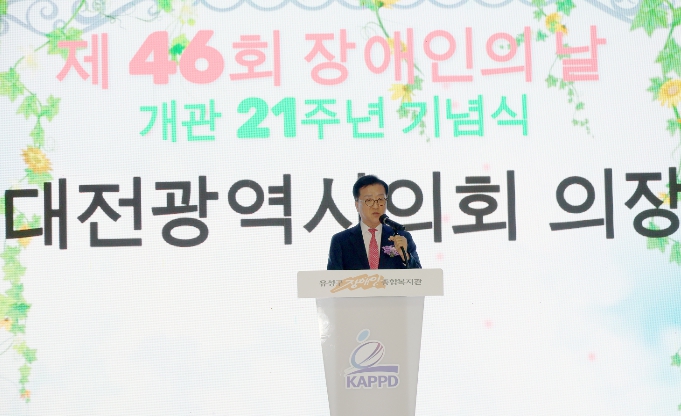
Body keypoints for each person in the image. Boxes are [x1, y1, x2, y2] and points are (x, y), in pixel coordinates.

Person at [327, 175, 422, 270]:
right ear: (357, 205)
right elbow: (333, 278)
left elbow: (419, 275)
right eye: (369, 200)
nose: (376, 206)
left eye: (380, 199)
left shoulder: (401, 237)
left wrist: (405, 256)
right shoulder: (341, 241)